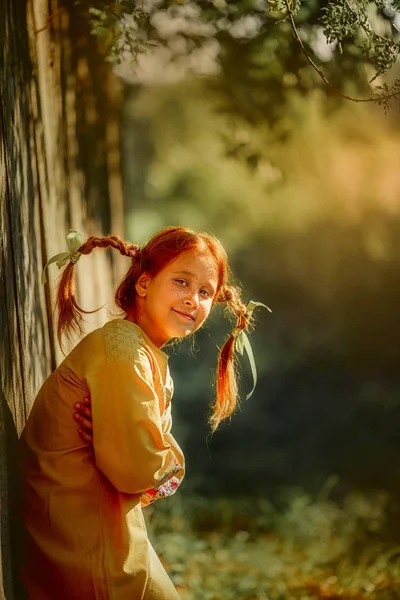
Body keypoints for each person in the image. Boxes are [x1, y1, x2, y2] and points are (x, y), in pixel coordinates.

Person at [18, 227, 258, 600]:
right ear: (144, 284)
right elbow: (134, 470)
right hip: (86, 549)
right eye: (181, 282)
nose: (193, 300)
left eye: (205, 292)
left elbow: (141, 471)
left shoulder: (141, 352)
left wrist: (150, 454)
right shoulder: (124, 350)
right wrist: (169, 460)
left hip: (107, 535)